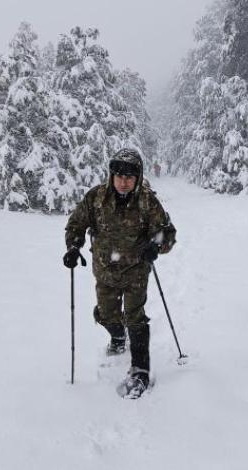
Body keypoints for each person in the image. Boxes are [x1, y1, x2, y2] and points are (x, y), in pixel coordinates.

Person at [63, 148, 176, 399]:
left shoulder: (147, 201)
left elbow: (168, 232)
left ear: (137, 178)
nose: (124, 181)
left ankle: (140, 371)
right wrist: (73, 246)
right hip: (104, 272)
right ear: (111, 175)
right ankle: (117, 336)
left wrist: (156, 246)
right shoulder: (96, 198)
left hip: (136, 272)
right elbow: (76, 224)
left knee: (136, 318)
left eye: (129, 177)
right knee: (106, 314)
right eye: (119, 175)